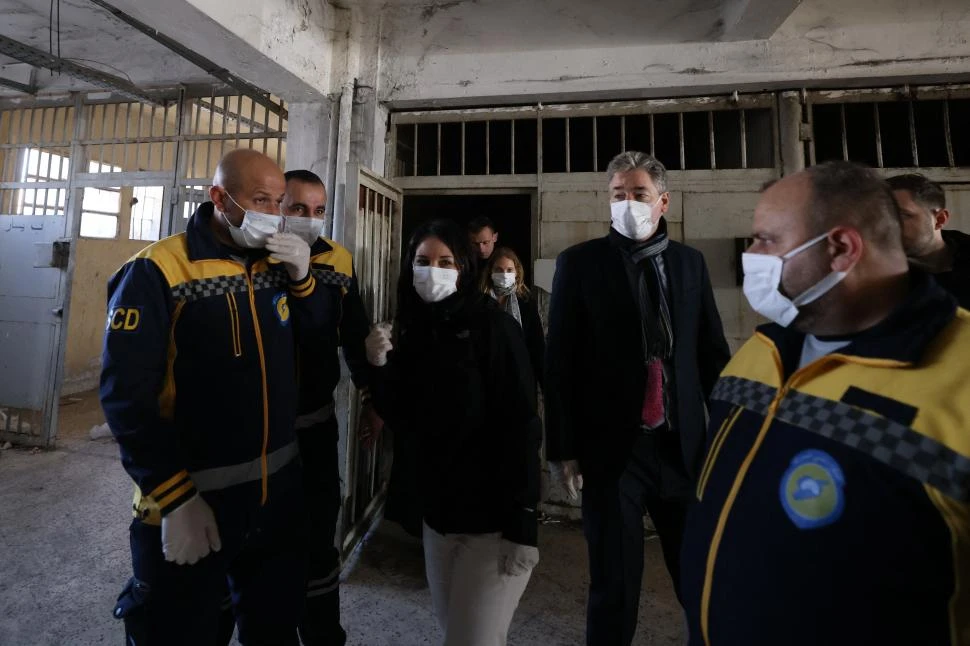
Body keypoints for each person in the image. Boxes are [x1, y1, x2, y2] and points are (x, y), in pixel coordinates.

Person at [681, 161, 970, 645]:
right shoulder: (760, 353)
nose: (750, 255)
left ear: (840, 249)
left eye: (766, 240)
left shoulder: (958, 378)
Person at [102, 149, 327, 645]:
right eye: (260, 200)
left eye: (278, 201)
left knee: (272, 628)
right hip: (195, 500)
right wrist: (175, 496)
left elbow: (314, 343)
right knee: (182, 629)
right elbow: (125, 399)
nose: (272, 212)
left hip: (276, 498)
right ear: (220, 198)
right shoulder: (158, 270)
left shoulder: (274, 263)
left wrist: (303, 280)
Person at [545, 151, 730, 646]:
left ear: (663, 201)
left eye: (639, 194)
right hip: (612, 452)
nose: (628, 204)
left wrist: (729, 436)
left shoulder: (689, 265)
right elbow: (559, 361)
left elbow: (712, 353)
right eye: (618, 195)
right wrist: (562, 449)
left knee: (701, 577)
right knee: (614, 584)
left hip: (682, 446)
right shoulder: (580, 264)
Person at [365, 219, 541, 646]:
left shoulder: (496, 329)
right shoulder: (416, 333)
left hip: (492, 522)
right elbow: (401, 419)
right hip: (437, 520)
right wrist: (380, 368)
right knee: (453, 630)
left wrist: (524, 521)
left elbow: (520, 424)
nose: (433, 270)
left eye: (445, 261)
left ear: (463, 267)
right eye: (423, 261)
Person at [279, 169, 382, 645]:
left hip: (317, 423)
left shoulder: (338, 257)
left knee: (319, 539)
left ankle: (323, 635)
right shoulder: (254, 256)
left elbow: (353, 332)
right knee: (264, 544)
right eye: (297, 208)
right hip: (258, 430)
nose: (309, 220)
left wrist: (373, 395)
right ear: (276, 207)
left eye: (318, 211)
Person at [887, 173, 970, 307]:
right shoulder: (874, 275)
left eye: (903, 215)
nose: (888, 225)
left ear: (940, 219)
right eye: (882, 217)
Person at [479, 247, 544, 392]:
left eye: (509, 270)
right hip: (488, 379)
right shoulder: (480, 303)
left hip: (521, 378)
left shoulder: (526, 302)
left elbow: (536, 345)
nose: (504, 274)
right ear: (490, 272)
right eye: (499, 269)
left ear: (517, 273)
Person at [468, 216, 499, 282]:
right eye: (475, 244)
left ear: (495, 237)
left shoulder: (505, 259)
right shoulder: (465, 261)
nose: (481, 250)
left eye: (485, 242)